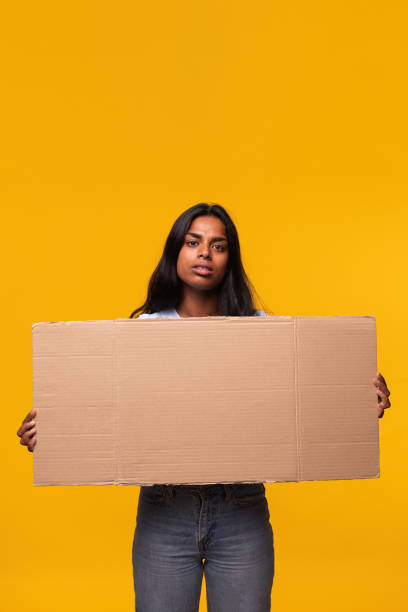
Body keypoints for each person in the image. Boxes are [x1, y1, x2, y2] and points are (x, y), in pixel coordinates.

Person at [17, 203, 391, 612]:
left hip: (241, 512)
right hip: (164, 512)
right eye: (193, 242)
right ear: (175, 251)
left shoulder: (262, 332)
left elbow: (297, 406)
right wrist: (54, 432)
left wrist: (354, 405)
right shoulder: (141, 334)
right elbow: (103, 414)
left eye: (218, 245)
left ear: (230, 259)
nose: (205, 254)